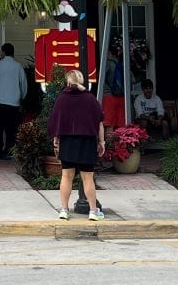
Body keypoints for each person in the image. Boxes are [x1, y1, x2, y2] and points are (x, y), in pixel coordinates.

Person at [47, 69, 105, 221]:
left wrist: (56, 138)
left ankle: (64, 210)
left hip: (67, 141)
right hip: (87, 142)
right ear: (81, 81)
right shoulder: (90, 99)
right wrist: (102, 142)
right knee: (87, 178)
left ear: (68, 82)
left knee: (66, 176)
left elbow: (55, 120)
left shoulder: (62, 99)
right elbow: (99, 123)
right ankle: (93, 211)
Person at [0, 43, 27, 160]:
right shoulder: (18, 66)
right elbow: (23, 84)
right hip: (13, 101)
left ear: (3, 52)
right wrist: (21, 96)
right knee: (11, 129)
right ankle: (9, 150)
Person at [103, 40, 126, 129]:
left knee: (109, 124)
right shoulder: (122, 64)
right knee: (120, 124)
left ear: (109, 53)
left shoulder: (108, 64)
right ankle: (120, 142)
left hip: (108, 96)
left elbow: (100, 77)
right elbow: (133, 79)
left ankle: (110, 143)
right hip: (121, 96)